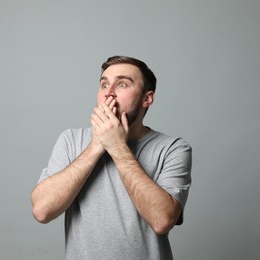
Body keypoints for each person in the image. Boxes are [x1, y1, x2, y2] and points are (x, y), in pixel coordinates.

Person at [31, 55, 192, 260]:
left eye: (122, 84)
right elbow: (42, 211)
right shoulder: (70, 140)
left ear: (147, 98)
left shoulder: (173, 148)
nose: (109, 92)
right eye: (104, 84)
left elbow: (162, 220)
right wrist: (96, 146)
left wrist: (117, 147)